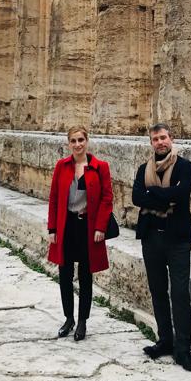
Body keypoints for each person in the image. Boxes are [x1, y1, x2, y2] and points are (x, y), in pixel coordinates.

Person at [132, 122, 191, 372]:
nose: (160, 142)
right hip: (151, 237)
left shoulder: (185, 166)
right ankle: (165, 341)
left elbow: (181, 196)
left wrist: (152, 193)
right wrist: (166, 195)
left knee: (180, 293)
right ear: (151, 143)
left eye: (163, 137)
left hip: (177, 239)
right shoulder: (143, 169)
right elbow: (136, 197)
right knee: (158, 290)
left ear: (171, 139)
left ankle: (183, 349)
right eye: (155, 139)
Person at [47, 126, 113, 341]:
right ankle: (69, 318)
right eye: (73, 141)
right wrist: (52, 228)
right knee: (65, 274)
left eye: (81, 140)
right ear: (69, 144)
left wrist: (100, 227)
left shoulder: (100, 167)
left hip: (88, 226)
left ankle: (83, 320)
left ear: (87, 141)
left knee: (86, 275)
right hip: (66, 226)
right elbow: (54, 198)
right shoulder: (62, 166)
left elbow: (107, 199)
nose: (77, 144)